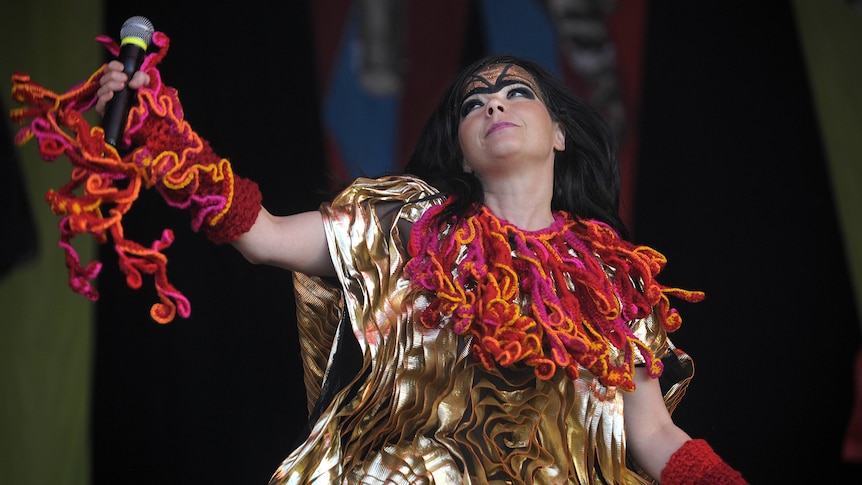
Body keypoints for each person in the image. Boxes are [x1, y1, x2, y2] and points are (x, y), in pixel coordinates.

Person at [13, 29, 746, 484]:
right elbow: (264, 236)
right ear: (459, 147)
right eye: (471, 103)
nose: (492, 104)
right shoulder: (406, 225)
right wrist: (159, 134)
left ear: (558, 133)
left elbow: (649, 433)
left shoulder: (609, 277)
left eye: (515, 93)